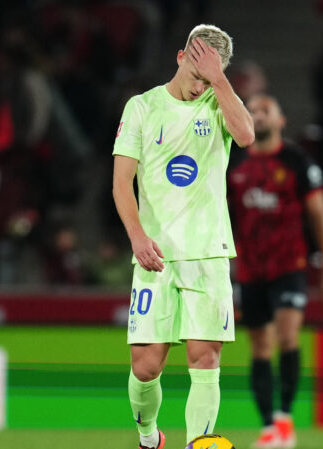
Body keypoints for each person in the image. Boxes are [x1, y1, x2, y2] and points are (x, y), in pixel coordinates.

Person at [112, 24, 255, 449]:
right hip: (155, 253)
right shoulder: (141, 107)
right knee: (146, 367)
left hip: (208, 252)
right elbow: (121, 183)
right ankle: (148, 435)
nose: (200, 88)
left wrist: (219, 79)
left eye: (208, 78)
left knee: (205, 358)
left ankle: (199, 442)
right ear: (179, 57)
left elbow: (247, 135)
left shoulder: (218, 102)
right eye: (197, 75)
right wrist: (137, 237)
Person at [227, 95, 323, 448]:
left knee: (288, 335)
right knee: (260, 345)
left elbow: (319, 214)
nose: (257, 116)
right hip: (250, 268)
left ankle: (285, 419)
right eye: (252, 111)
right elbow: (223, 213)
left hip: (289, 264)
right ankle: (267, 428)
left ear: (281, 121)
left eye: (265, 111)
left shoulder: (297, 162)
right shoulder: (235, 162)